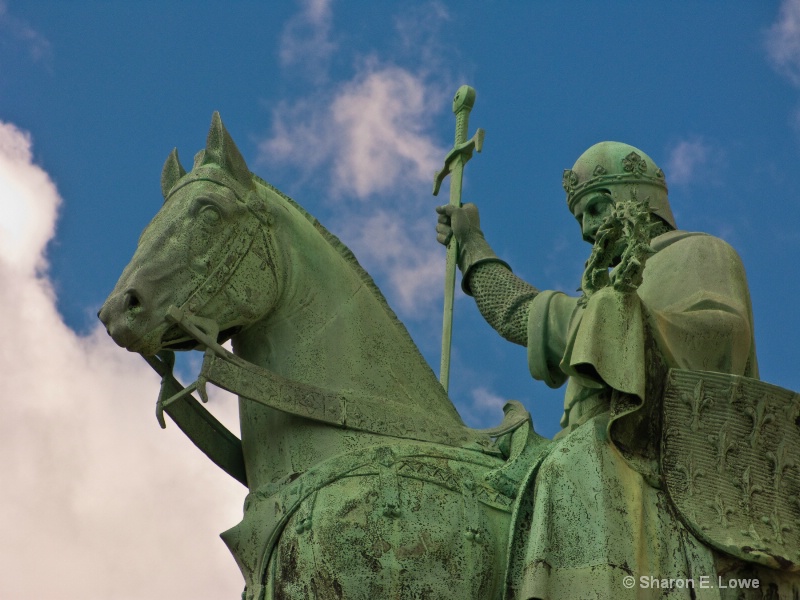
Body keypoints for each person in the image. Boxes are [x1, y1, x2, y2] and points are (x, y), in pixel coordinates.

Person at [436, 142, 794, 599]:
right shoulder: (608, 291)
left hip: (659, 460)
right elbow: (524, 316)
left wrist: (625, 320)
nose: (586, 230)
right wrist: (472, 247)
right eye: (579, 217)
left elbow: (722, 341)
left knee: (572, 466)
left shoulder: (702, 253)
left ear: (637, 198)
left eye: (595, 208)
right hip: (594, 443)